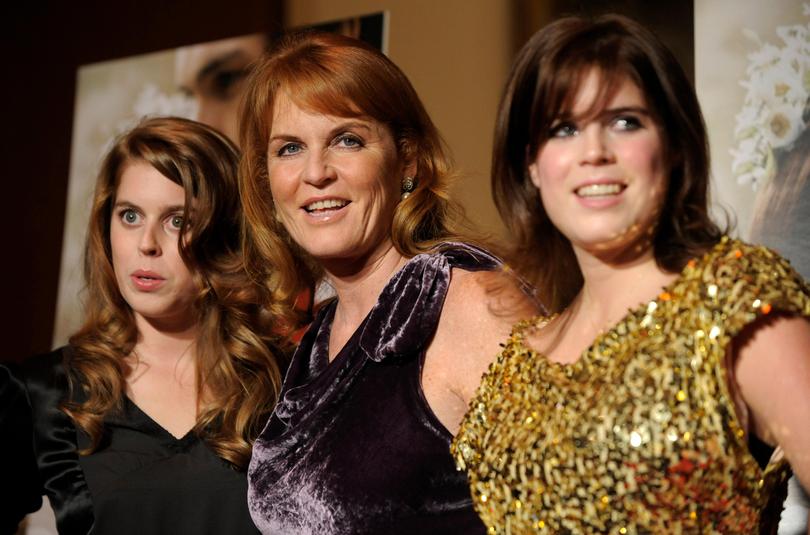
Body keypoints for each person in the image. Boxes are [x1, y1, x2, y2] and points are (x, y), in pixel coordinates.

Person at [452, 14, 810, 534]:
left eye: (625, 122)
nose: (594, 153)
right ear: (530, 164)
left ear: (672, 147)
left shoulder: (737, 305)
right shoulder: (514, 364)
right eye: (564, 129)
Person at [238, 31, 537, 534]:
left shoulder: (471, 303)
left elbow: (571, 507)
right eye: (289, 148)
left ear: (408, 161)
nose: (315, 173)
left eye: (347, 140)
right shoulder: (315, 341)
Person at [7, 117, 287, 534]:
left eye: (178, 221)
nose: (146, 243)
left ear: (226, 235)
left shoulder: (288, 384)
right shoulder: (43, 391)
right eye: (130, 215)